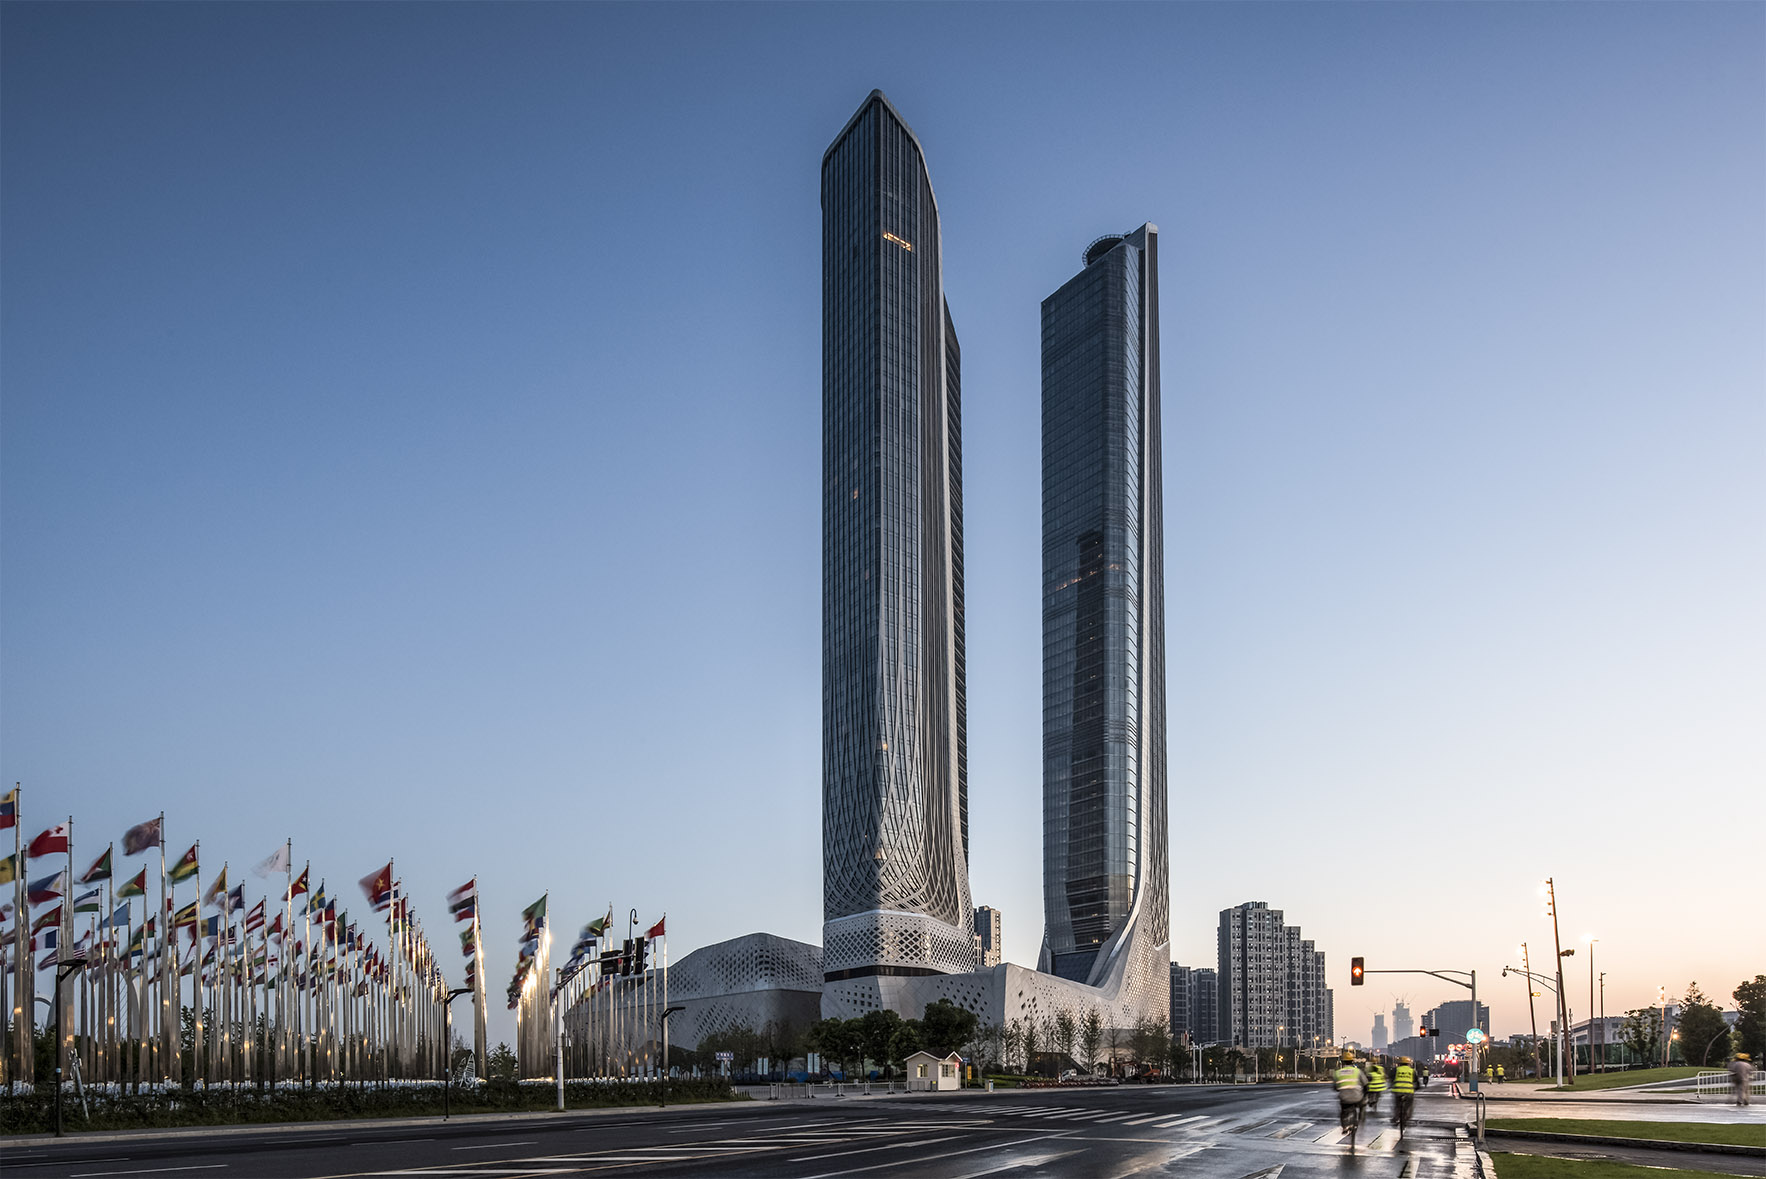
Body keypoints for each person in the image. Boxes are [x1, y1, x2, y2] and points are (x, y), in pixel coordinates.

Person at [1334, 1050, 1367, 1132]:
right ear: (1352, 1061)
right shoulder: (1357, 1071)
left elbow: (1335, 1087)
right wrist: (1365, 1093)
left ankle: (1344, 1126)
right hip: (1357, 1097)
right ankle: (1360, 1118)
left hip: (1344, 1098)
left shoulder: (1337, 1073)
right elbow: (1365, 1084)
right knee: (1362, 1104)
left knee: (1343, 1110)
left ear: (1342, 1061)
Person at [1391, 1056, 1417, 1129]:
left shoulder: (1396, 1070)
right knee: (1409, 1105)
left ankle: (1396, 1117)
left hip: (1397, 1091)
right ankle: (1407, 1116)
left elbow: (1391, 1078)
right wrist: (1416, 1087)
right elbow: (1416, 1081)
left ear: (1399, 1063)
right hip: (1408, 1092)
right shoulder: (1412, 1071)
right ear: (1409, 1064)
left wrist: (1392, 1084)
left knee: (1397, 1105)